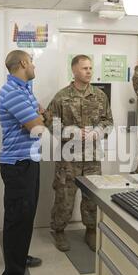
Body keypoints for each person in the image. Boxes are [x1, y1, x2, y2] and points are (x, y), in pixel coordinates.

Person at [43, 55, 113, 252]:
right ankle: (59, 231)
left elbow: (108, 122)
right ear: (74, 71)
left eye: (90, 68)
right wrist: (70, 132)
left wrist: (97, 132)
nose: (89, 71)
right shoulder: (61, 97)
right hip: (69, 157)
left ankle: (91, 230)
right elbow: (50, 122)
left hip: (92, 157)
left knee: (92, 196)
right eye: (84, 68)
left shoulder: (100, 96)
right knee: (64, 196)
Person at [0, 50, 45, 275]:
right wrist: (39, 117)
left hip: (29, 160)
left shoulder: (24, 88)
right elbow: (37, 126)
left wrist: (39, 114)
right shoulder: (13, 93)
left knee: (27, 215)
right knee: (17, 219)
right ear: (23, 63)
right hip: (17, 165)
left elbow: (38, 113)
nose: (34, 65)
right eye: (32, 61)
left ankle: (20, 256)